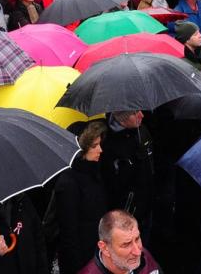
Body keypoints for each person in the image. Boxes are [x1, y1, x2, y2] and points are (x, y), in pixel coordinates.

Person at [54, 122, 110, 274]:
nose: (100, 150)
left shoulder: (94, 171)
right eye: (94, 146)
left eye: (100, 144)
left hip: (97, 253)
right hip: (81, 261)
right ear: (81, 149)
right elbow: (68, 233)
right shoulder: (68, 182)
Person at [100, 110, 155, 240]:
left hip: (146, 211)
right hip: (124, 217)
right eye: (135, 113)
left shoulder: (142, 131)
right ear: (122, 117)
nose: (142, 115)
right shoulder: (108, 141)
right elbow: (109, 185)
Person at [77, 210, 161, 274]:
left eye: (137, 239)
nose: (138, 252)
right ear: (105, 248)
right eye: (126, 244)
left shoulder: (145, 257)